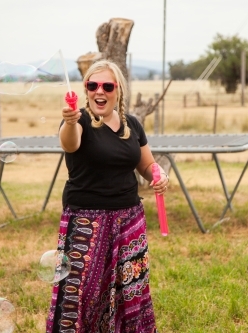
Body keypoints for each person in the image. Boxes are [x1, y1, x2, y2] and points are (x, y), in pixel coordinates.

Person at [45, 60, 168, 333]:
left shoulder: (132, 125)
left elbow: (147, 165)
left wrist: (158, 176)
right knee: (81, 296)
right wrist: (69, 121)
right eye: (92, 85)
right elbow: (70, 142)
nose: (99, 91)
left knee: (130, 293)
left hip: (129, 221)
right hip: (87, 223)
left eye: (107, 86)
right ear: (86, 90)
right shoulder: (79, 121)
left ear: (118, 91)